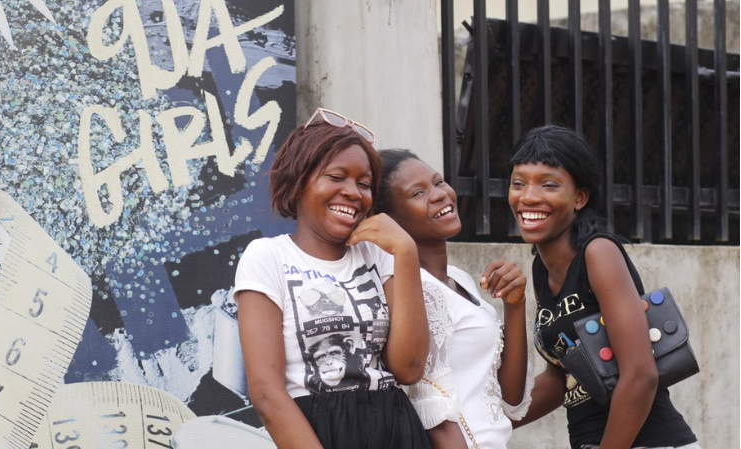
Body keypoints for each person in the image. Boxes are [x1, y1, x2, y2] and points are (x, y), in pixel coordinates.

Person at [234, 108, 431, 449]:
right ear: (298, 180)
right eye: (337, 177)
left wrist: (406, 251)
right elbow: (266, 394)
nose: (354, 192)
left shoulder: (379, 254)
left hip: (397, 430)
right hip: (317, 432)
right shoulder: (267, 257)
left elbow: (409, 369)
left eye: (364, 183)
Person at [508, 125, 699, 449]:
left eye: (549, 184)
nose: (528, 196)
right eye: (518, 183)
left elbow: (641, 375)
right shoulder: (543, 268)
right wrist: (484, 421)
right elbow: (562, 378)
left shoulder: (598, 253)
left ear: (579, 197)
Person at [374, 149, 533, 449]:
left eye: (439, 182)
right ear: (389, 220)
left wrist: (515, 305)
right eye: (418, 192)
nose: (439, 195)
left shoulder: (460, 279)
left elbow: (509, 398)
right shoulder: (413, 288)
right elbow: (429, 400)